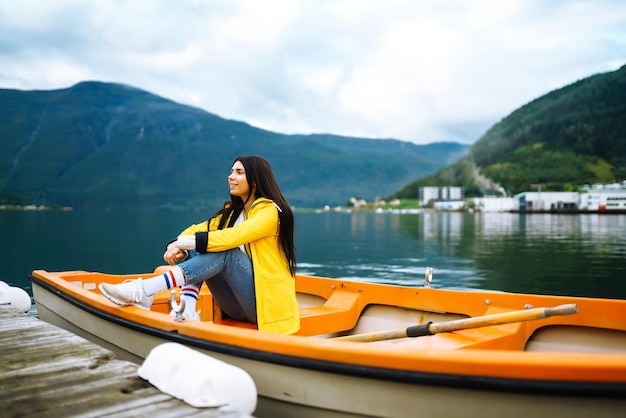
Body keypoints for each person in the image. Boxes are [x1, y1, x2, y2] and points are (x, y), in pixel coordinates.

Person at [99, 155, 300, 335]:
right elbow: (198, 229)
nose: (231, 177)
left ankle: (144, 290)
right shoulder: (232, 213)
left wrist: (186, 243)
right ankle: (187, 310)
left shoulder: (270, 212)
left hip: (267, 309)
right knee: (199, 244)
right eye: (231, 172)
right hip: (237, 305)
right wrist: (176, 244)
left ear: (255, 181)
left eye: (239, 172)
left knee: (224, 251)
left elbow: (237, 235)